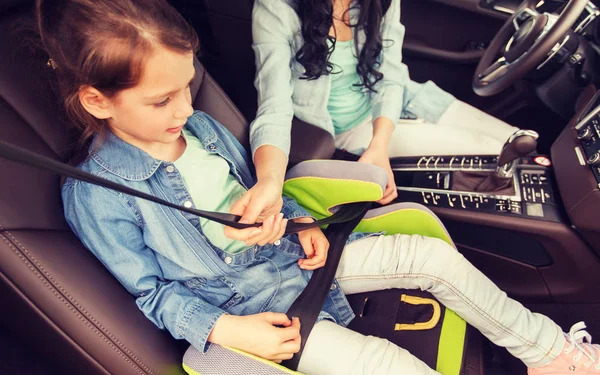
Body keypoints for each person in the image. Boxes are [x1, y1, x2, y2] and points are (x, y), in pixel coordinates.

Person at [41, 0, 599, 374]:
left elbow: (261, 193)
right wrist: (228, 329)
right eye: (162, 100)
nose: (186, 109)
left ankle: (550, 354)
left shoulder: (201, 129)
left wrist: (300, 222)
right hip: (248, 308)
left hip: (294, 260)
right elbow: (153, 294)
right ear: (97, 100)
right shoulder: (99, 193)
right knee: (391, 367)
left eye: (189, 88)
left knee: (433, 259)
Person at [244, 0, 524, 217]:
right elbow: (273, 105)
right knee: (494, 154)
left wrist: (380, 145)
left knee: (516, 141)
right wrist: (270, 181)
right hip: (349, 129)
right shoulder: (276, 8)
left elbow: (390, 77)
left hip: (408, 97)